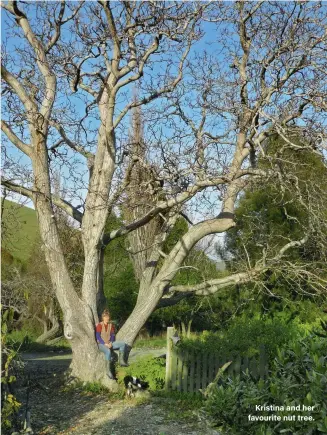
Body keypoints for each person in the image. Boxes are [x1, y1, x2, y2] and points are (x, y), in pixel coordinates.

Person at [96, 309, 130, 379]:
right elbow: (98, 336)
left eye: (108, 317)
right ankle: (108, 371)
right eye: (105, 317)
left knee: (122, 344)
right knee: (108, 351)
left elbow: (112, 335)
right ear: (103, 317)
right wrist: (105, 344)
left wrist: (111, 342)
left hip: (109, 343)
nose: (107, 318)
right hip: (101, 344)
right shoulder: (99, 325)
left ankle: (121, 361)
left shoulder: (111, 325)